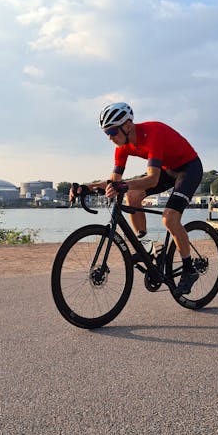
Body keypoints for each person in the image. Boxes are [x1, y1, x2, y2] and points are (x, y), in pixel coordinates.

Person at [73, 102, 204, 295]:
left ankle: (189, 269)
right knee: (132, 195)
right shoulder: (122, 147)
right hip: (167, 169)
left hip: (189, 168)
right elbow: (113, 181)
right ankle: (147, 246)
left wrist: (123, 185)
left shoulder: (153, 134)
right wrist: (87, 187)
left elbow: (152, 179)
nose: (110, 138)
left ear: (127, 125)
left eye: (112, 132)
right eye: (106, 134)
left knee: (169, 218)